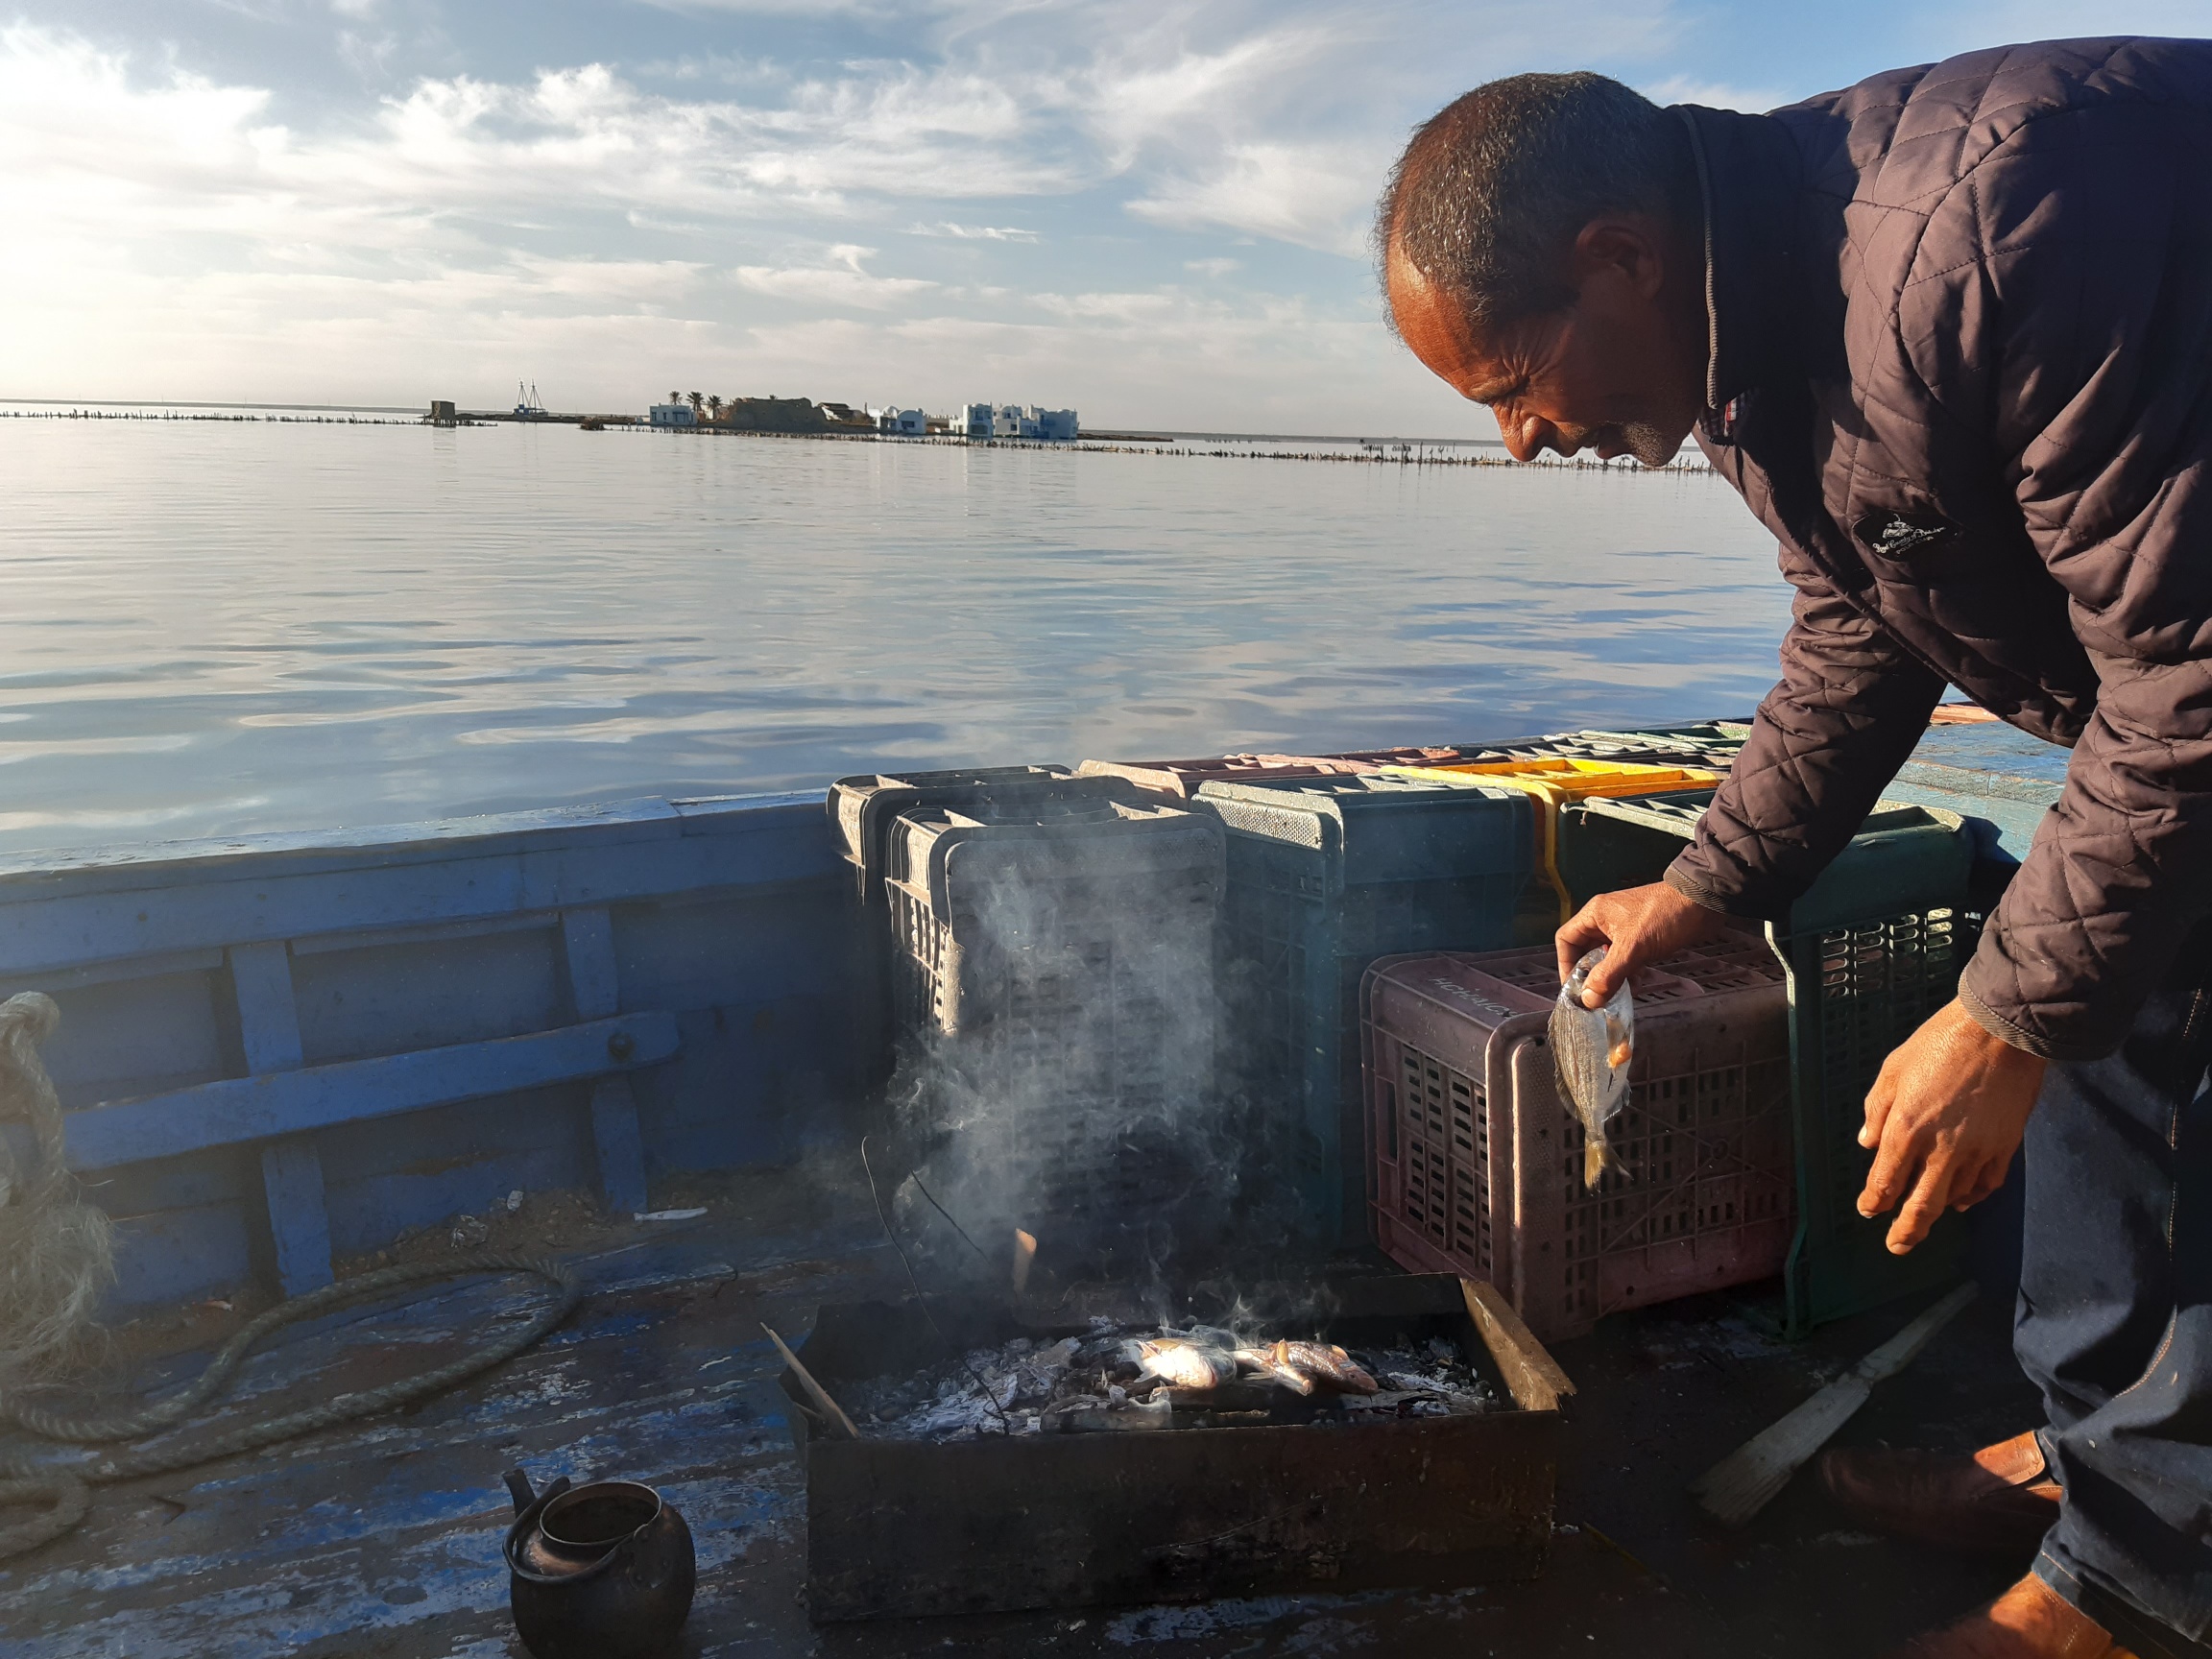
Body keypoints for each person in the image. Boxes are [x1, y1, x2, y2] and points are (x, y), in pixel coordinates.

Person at [1378, 40, 2212, 1659]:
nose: (1519, 443)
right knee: (2101, 1014)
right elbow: (1860, 622)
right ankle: (2103, 1464)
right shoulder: (1749, 345)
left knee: (2098, 1044)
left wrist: (2003, 1015)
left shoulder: (2005, 221)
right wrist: (1710, 886)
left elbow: (2189, 676)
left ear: (1616, 259)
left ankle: (2147, 1586)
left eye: (1507, 388)